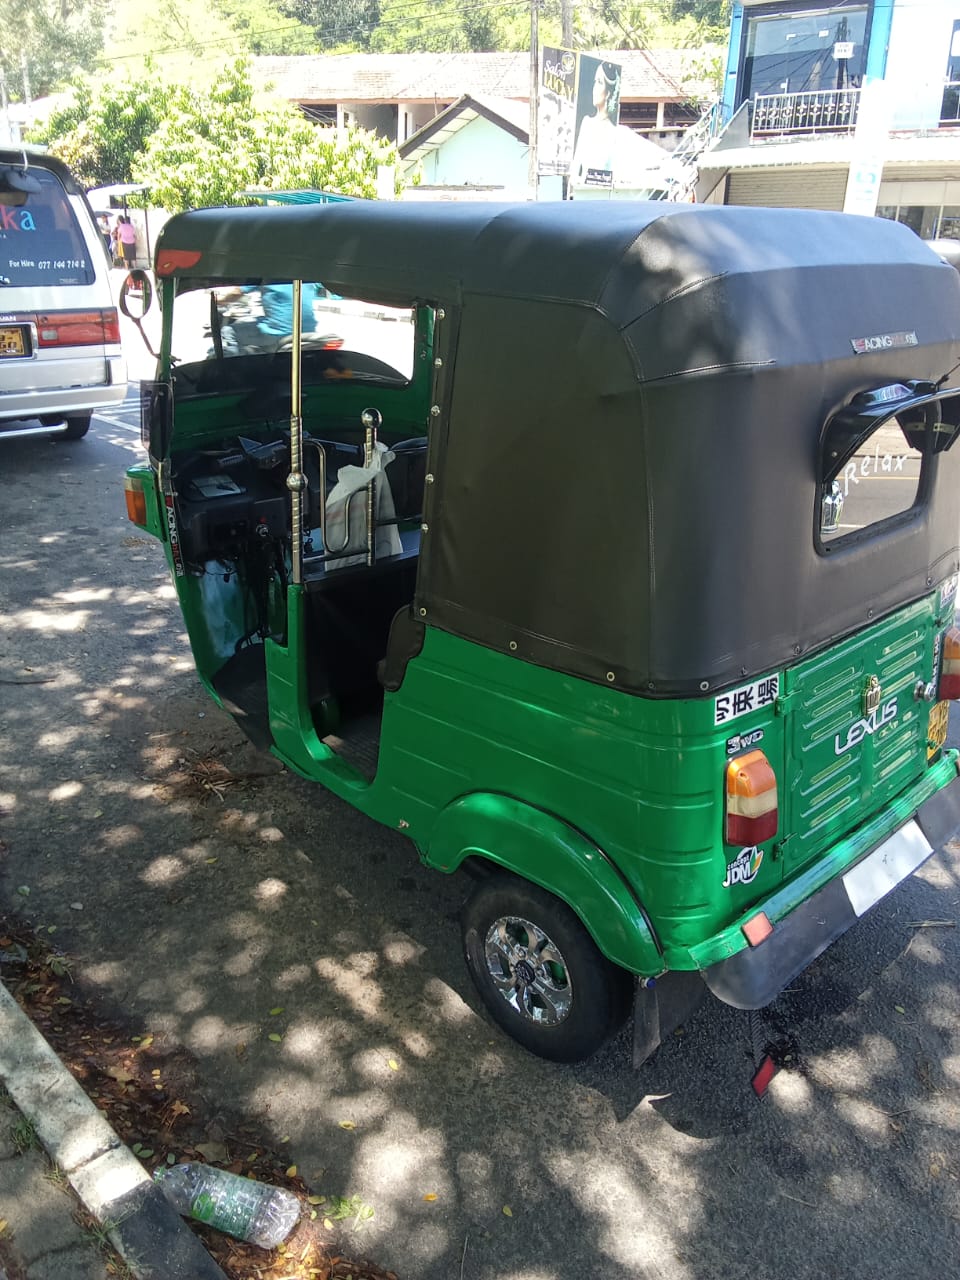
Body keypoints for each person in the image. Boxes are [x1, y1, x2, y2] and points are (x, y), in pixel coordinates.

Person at [214, 282, 321, 354]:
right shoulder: (307, 279)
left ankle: (231, 368)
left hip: (279, 333)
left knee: (228, 331)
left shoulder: (265, 273)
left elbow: (237, 293)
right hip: (308, 331)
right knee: (258, 321)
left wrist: (219, 301)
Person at [570, 61, 621, 186]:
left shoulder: (614, 132)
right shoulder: (587, 123)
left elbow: (613, 172)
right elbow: (575, 168)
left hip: (602, 194)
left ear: (607, 93)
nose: (594, 88)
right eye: (595, 82)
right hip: (582, 193)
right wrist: (577, 181)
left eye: (599, 82)